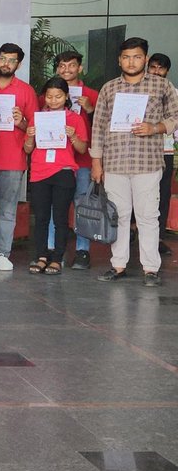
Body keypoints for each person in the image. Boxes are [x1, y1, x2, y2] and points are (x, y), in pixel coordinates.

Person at [91, 38, 178, 286]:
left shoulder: (162, 86)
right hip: (115, 163)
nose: (131, 62)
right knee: (118, 216)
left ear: (146, 59)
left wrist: (156, 127)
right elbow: (98, 126)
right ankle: (118, 266)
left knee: (148, 217)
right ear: (120, 60)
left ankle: (150, 269)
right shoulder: (109, 88)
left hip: (147, 163)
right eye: (126, 57)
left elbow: (175, 115)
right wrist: (97, 162)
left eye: (137, 57)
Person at [0, 43, 38, 272]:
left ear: (19, 64)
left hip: (13, 160)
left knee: (8, 211)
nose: (6, 63)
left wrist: (21, 121)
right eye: (3, 58)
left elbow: (34, 126)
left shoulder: (25, 90)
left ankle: (2, 253)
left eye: (12, 60)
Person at [25, 76, 88, 275]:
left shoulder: (74, 119)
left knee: (60, 218)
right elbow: (28, 149)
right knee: (41, 217)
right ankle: (42, 255)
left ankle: (57, 257)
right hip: (39, 171)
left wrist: (73, 136)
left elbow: (82, 148)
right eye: (50, 97)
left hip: (64, 171)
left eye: (58, 96)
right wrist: (29, 135)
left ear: (66, 96)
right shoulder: (37, 117)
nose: (53, 100)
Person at [50, 50, 98, 269]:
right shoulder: (49, 94)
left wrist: (90, 110)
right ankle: (52, 250)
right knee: (55, 206)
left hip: (84, 161)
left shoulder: (92, 94)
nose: (66, 69)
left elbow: (104, 126)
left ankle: (82, 251)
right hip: (57, 161)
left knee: (82, 205)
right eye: (62, 65)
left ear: (80, 68)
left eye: (71, 65)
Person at [148, 53, 173, 255]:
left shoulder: (173, 93)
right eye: (153, 67)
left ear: (167, 72)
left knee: (162, 195)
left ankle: (159, 238)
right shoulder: (139, 90)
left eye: (161, 68)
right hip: (141, 151)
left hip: (164, 150)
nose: (156, 72)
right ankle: (132, 231)